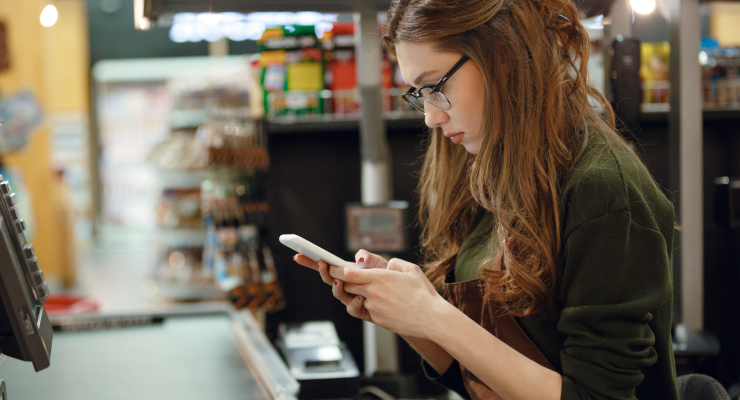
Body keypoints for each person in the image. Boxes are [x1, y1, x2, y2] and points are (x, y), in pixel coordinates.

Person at [292, 0, 678, 398]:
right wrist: (408, 316)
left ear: (503, 54)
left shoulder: (603, 191)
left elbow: (596, 395)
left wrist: (434, 315)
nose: (430, 117)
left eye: (436, 87)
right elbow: (480, 374)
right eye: (418, 94)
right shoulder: (494, 166)